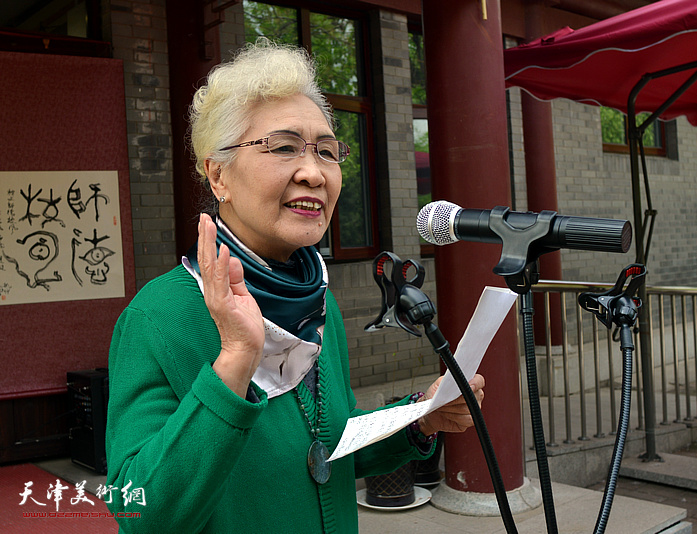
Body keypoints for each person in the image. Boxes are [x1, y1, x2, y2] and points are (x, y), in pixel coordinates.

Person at [104, 38, 485, 533]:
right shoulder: (158, 315)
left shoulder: (315, 299)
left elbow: (332, 446)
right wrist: (235, 361)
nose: (313, 172)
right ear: (218, 175)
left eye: (327, 152)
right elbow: (141, 513)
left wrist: (420, 417)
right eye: (283, 147)